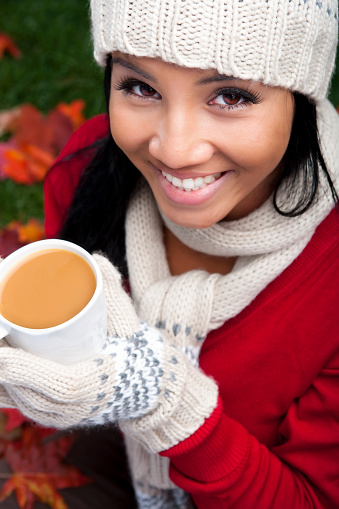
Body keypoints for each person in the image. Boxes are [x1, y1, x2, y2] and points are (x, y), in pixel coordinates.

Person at [0, 0, 339, 507]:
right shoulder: (88, 171)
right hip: (111, 445)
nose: (175, 150)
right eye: (140, 87)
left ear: (302, 97)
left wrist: (171, 407)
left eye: (231, 95)